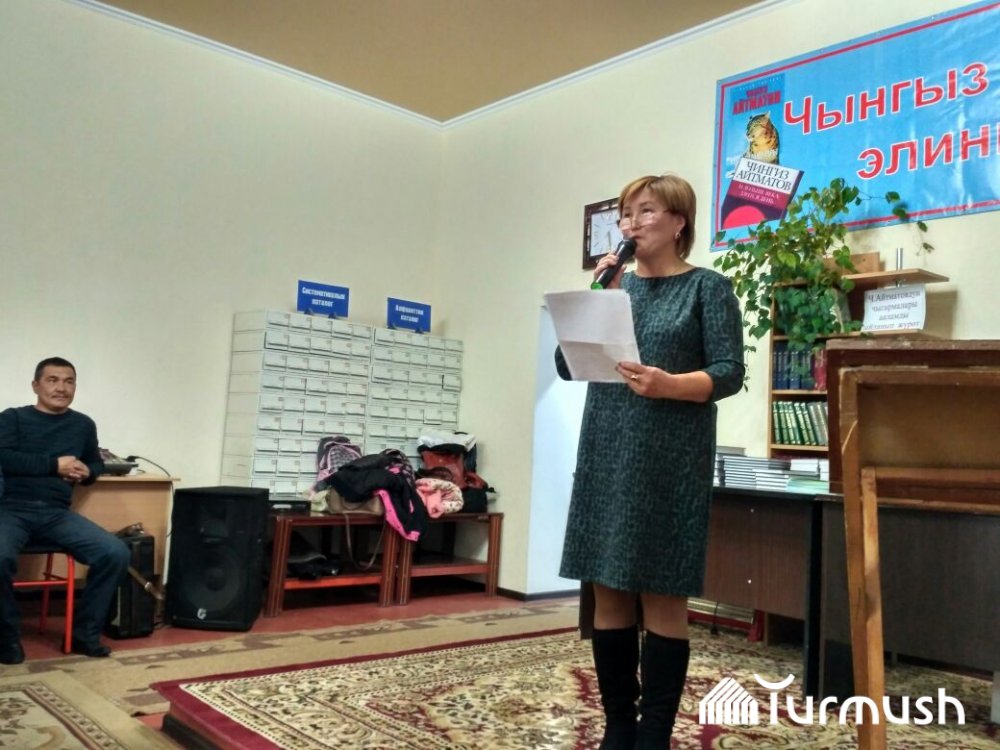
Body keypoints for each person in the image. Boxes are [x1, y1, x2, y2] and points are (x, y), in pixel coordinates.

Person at [556, 173, 745, 749]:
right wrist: (595, 300)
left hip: (671, 459)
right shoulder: (614, 288)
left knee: (663, 592)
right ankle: (619, 725)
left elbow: (729, 372)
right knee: (609, 589)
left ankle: (654, 732)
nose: (631, 224)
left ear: (679, 221)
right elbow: (568, 366)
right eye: (625, 214)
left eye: (645, 211)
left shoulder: (708, 288)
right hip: (607, 452)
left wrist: (671, 384)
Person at [0, 357, 130, 664]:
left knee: (115, 552)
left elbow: (95, 463)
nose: (61, 388)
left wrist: (88, 471)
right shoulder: (12, 418)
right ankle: (6, 637)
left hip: (56, 514)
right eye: (53, 380)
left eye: (68, 381)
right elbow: (4, 457)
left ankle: (84, 636)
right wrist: (53, 465)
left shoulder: (83, 424)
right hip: (11, 509)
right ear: (36, 385)